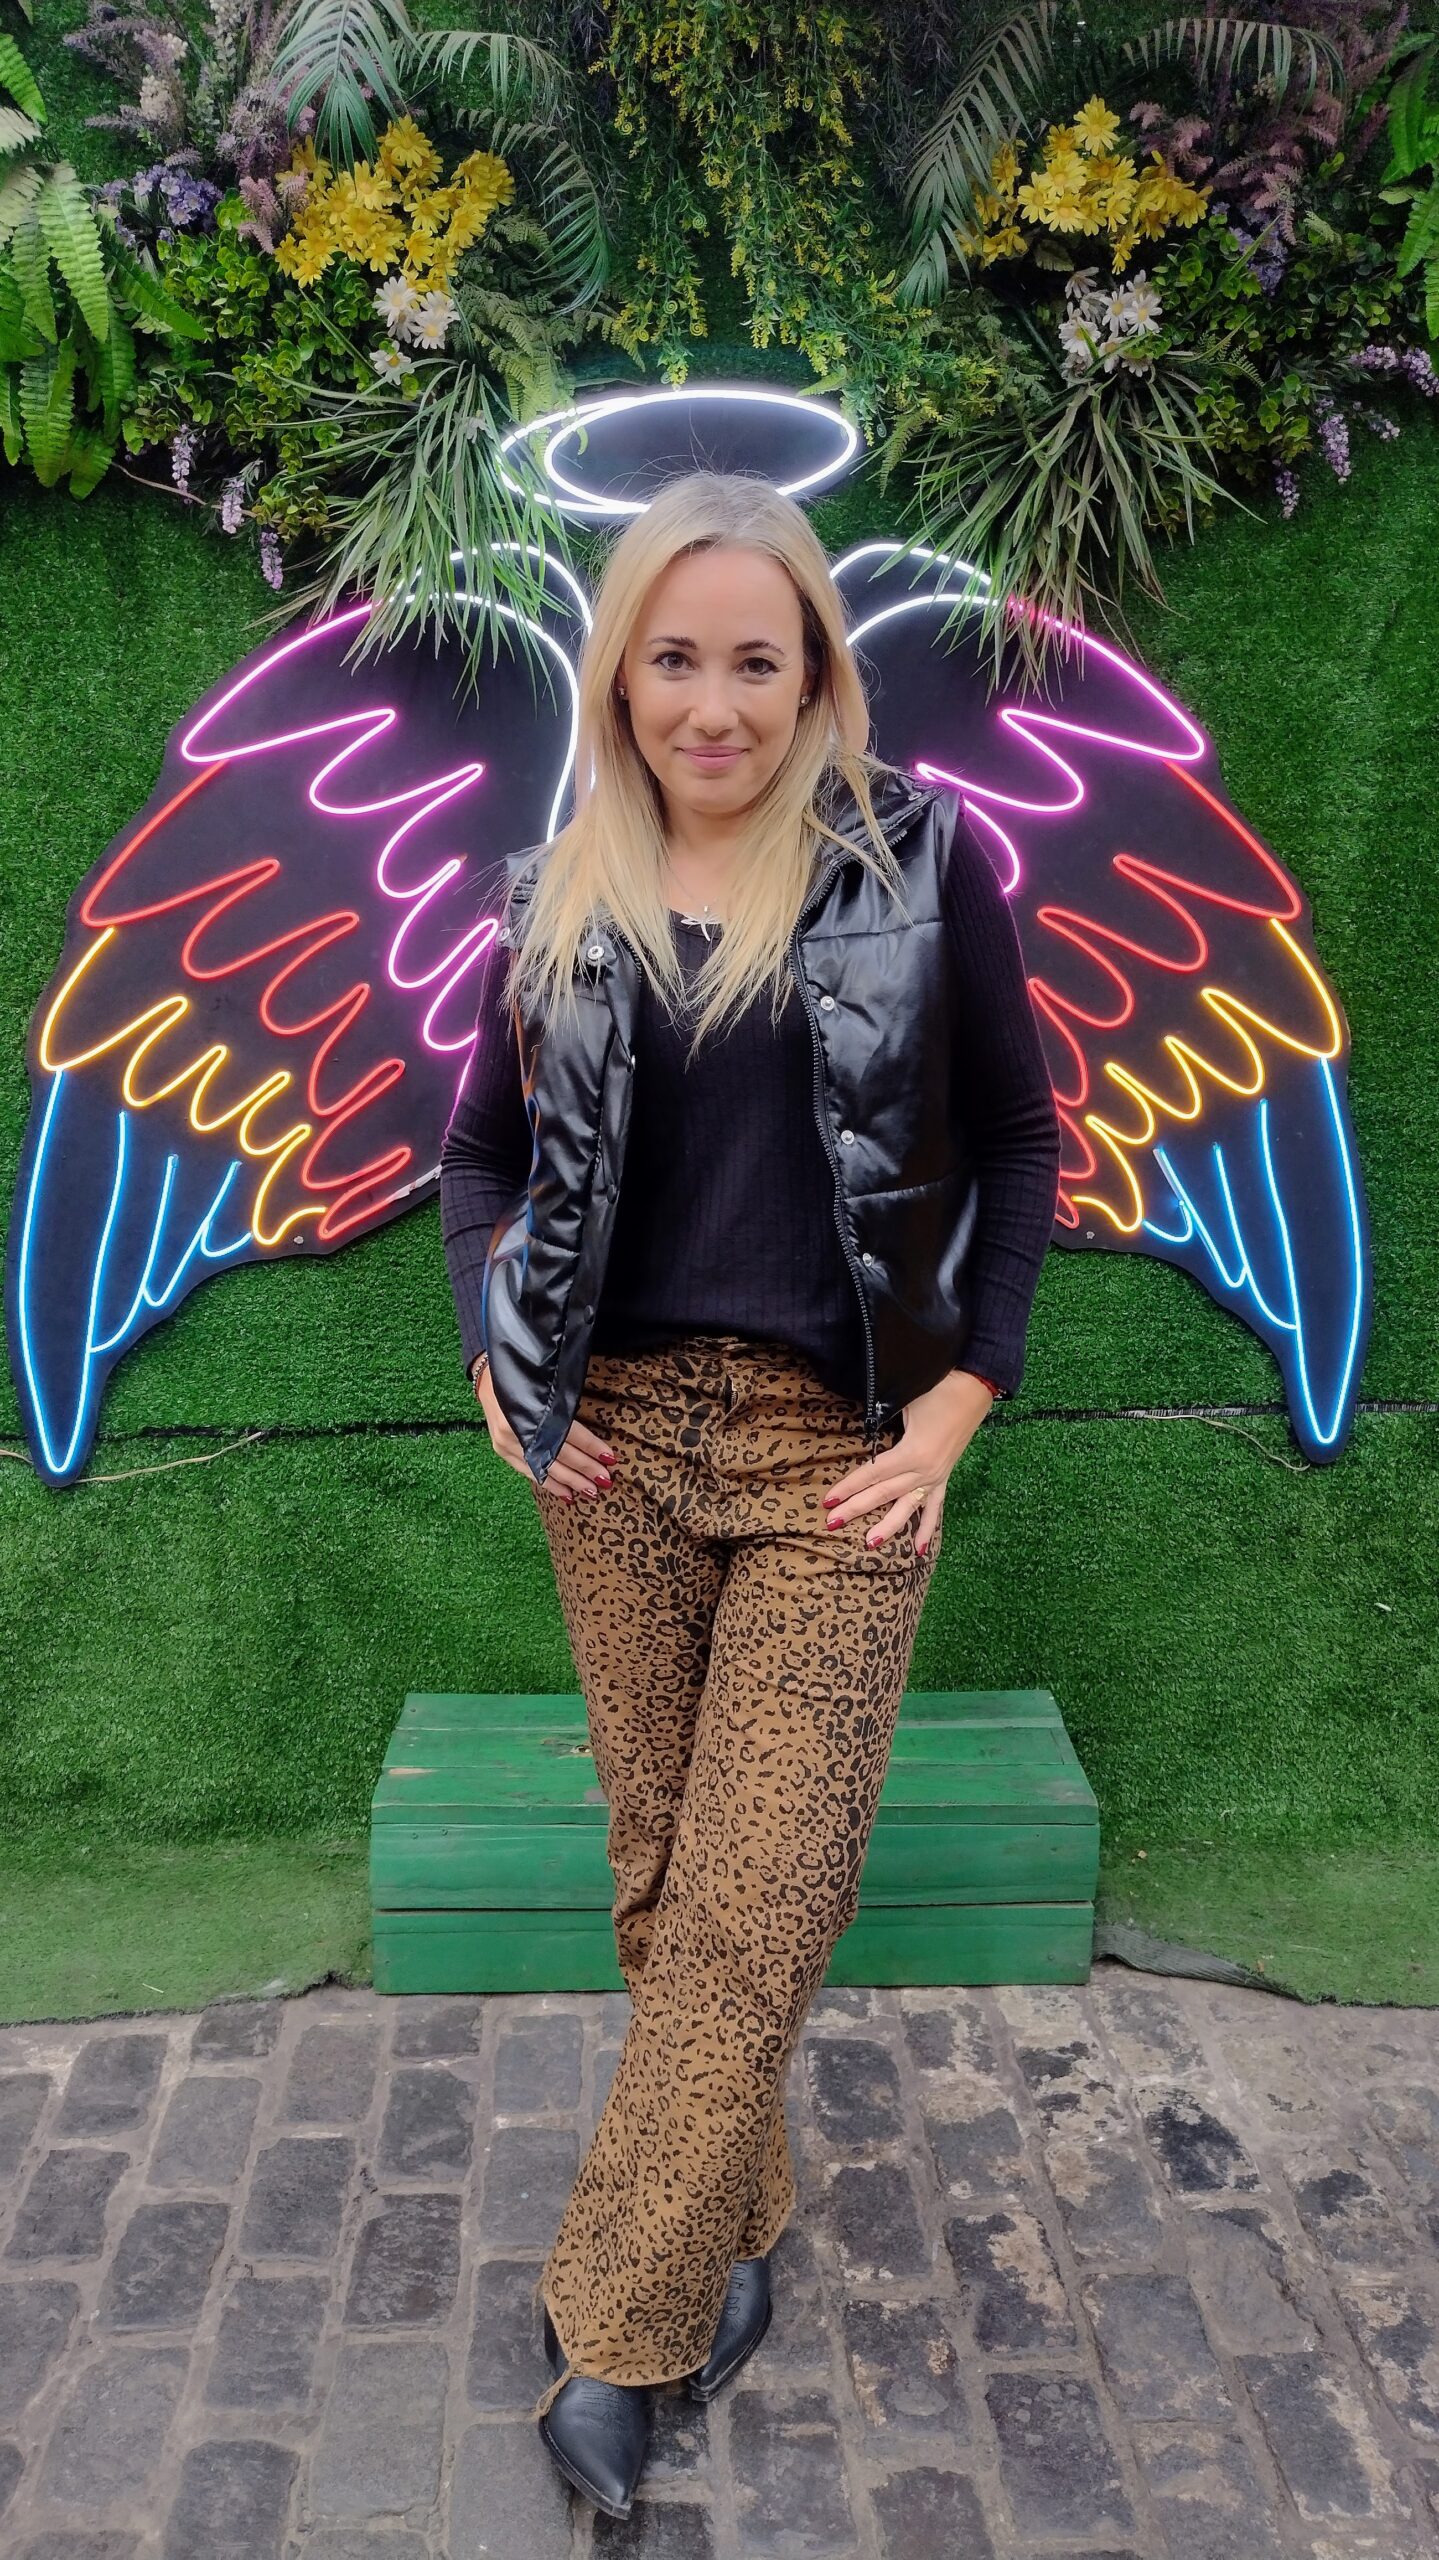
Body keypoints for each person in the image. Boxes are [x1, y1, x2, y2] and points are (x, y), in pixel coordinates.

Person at [439, 468, 1061, 2522]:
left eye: (756, 662)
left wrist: (960, 1403)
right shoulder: (561, 887)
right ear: (623, 673)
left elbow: (1024, 1146)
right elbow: (479, 1163)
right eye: (675, 659)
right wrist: (497, 1361)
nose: (714, 704)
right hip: (613, 1443)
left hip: (834, 1458)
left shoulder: (920, 865)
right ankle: (743, 2208)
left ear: (816, 678)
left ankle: (614, 2324)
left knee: (754, 1902)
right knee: (663, 1877)